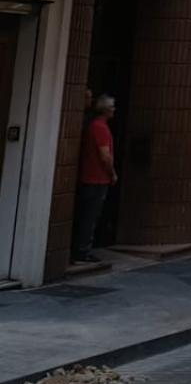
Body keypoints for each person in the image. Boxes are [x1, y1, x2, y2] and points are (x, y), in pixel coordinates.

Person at [72, 94, 117, 264]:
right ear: (105, 110)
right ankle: (82, 252)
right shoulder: (100, 128)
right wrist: (112, 173)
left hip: (91, 178)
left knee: (88, 215)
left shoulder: (95, 126)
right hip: (96, 179)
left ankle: (82, 249)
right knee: (90, 216)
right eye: (112, 107)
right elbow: (105, 156)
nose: (114, 110)